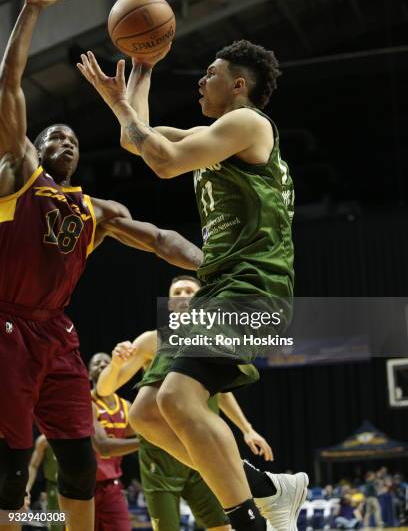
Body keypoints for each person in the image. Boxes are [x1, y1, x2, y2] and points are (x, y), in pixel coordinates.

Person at [0, 0, 202, 531]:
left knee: (81, 460)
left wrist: (212, 264)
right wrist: (31, 10)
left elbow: (161, 240)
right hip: (8, 325)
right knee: (13, 469)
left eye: (72, 138)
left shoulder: (98, 213)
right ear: (33, 151)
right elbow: (8, 86)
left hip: (57, 331)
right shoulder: (18, 176)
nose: (64, 139)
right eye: (52, 136)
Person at [78, 30, 307, 529]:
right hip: (220, 286)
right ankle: (268, 486)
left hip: (253, 285)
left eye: (212, 74)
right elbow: (136, 139)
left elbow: (161, 161)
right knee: (146, 414)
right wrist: (140, 73)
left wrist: (125, 109)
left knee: (179, 398)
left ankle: (252, 520)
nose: (201, 81)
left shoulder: (246, 123)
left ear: (240, 85)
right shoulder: (216, 137)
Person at [97, 274, 274, 531]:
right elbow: (104, 388)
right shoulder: (151, 340)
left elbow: (222, 392)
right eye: (176, 293)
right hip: (162, 455)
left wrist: (247, 428)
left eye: (189, 291)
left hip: (201, 448)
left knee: (223, 527)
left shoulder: (212, 338)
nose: (182, 296)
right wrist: (115, 365)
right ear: (169, 303)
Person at [89, 352, 141, 531]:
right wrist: (146, 442)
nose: (102, 364)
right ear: (89, 374)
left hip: (111, 486)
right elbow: (103, 447)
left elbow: (148, 431)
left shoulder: (126, 406)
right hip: (83, 485)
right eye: (97, 363)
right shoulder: (86, 403)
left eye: (106, 361)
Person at [26, 436, 62, 531]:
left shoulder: (80, 434)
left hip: (76, 487)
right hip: (53, 487)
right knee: (55, 526)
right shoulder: (44, 440)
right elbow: (33, 466)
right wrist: (26, 490)